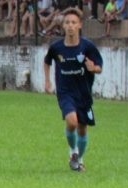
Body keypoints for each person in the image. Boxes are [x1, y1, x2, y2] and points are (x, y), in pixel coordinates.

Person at [43, 7, 103, 172]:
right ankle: (73, 151)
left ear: (79, 25)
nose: (70, 25)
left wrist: (93, 68)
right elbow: (47, 61)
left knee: (82, 129)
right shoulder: (56, 48)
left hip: (83, 93)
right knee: (72, 121)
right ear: (63, 26)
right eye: (67, 22)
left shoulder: (87, 46)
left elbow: (99, 67)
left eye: (73, 22)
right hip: (65, 92)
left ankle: (79, 160)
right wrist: (47, 81)